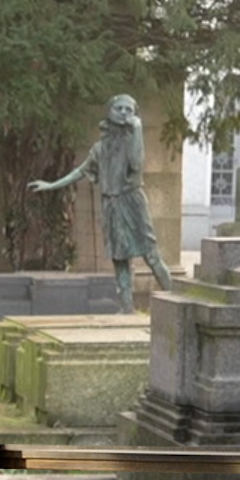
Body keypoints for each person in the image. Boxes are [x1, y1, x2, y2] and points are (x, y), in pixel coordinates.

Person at [27, 93, 174, 314]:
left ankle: (176, 305)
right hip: (111, 205)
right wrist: (51, 185)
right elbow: (80, 171)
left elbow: (135, 164)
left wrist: (137, 130)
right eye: (119, 108)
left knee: (151, 255)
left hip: (132, 202)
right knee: (120, 260)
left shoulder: (133, 139)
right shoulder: (99, 148)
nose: (124, 113)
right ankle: (127, 310)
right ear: (109, 111)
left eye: (129, 110)